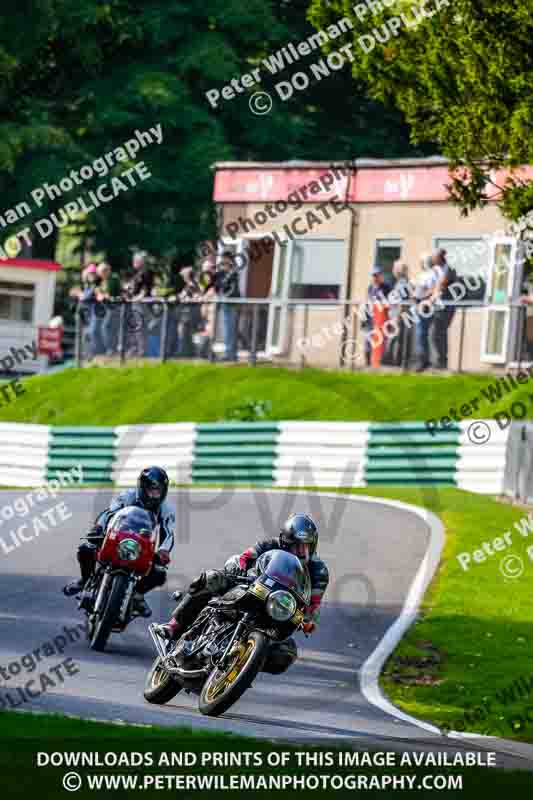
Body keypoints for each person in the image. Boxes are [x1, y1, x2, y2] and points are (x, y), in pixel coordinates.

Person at [154, 513, 329, 675]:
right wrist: (239, 566)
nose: (301, 552)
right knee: (212, 578)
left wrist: (309, 619)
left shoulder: (319, 571)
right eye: (296, 546)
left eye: (306, 546)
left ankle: (244, 666)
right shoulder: (269, 544)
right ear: (285, 541)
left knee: (287, 653)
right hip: (251, 588)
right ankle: (174, 625)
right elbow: (246, 557)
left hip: (278, 609)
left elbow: (313, 603)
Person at [63, 467, 174, 618]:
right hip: (118, 536)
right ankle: (85, 580)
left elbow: (168, 533)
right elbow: (109, 513)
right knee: (86, 549)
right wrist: (98, 528)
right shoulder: (127, 496)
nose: (155, 494)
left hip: (143, 544)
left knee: (159, 573)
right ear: (142, 488)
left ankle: (138, 596)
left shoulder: (166, 509)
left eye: (159, 490)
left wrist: (163, 551)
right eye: (152, 490)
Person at [430, 248, 456, 370]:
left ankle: (441, 361)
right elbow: (435, 287)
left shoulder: (447, 269)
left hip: (446, 307)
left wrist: (431, 299)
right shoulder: (438, 270)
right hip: (439, 307)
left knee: (437, 333)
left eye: (434, 257)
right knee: (438, 333)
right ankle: (440, 360)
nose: (432, 259)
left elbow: (441, 284)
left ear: (440, 258)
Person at [383, 260, 412, 367]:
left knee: (395, 339)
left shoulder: (403, 284)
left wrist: (398, 317)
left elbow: (402, 302)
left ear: (399, 271)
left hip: (397, 316)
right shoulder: (400, 282)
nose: (393, 270)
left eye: (395, 268)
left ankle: (391, 362)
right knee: (395, 339)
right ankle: (393, 361)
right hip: (395, 315)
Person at [363, 265, 392, 366]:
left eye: (377, 275)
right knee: (367, 342)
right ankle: (367, 364)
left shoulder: (386, 288)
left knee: (379, 342)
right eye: (373, 275)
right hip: (370, 319)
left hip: (380, 320)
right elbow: (367, 302)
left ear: (381, 276)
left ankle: (378, 364)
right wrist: (364, 318)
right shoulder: (370, 288)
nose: (375, 278)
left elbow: (389, 303)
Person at [215, 252, 241, 362]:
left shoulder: (233, 272)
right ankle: (228, 352)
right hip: (224, 304)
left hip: (232, 304)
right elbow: (217, 286)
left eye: (225, 260)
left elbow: (233, 289)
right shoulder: (221, 273)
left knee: (230, 329)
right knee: (226, 329)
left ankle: (230, 354)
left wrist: (224, 295)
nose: (223, 263)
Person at [414, 253, 438, 372]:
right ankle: (422, 359)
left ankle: (423, 360)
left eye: (421, 262)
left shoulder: (430, 275)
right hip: (418, 306)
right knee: (420, 333)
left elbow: (431, 290)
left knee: (421, 333)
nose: (419, 264)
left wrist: (422, 299)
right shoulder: (422, 275)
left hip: (425, 306)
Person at [96, 261, 122, 355]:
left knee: (106, 327)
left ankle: (111, 349)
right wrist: (99, 293)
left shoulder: (113, 279)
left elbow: (112, 294)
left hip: (115, 307)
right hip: (108, 307)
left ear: (106, 271)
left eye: (101, 272)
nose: (100, 275)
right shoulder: (104, 280)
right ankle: (111, 349)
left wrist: (103, 295)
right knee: (108, 328)